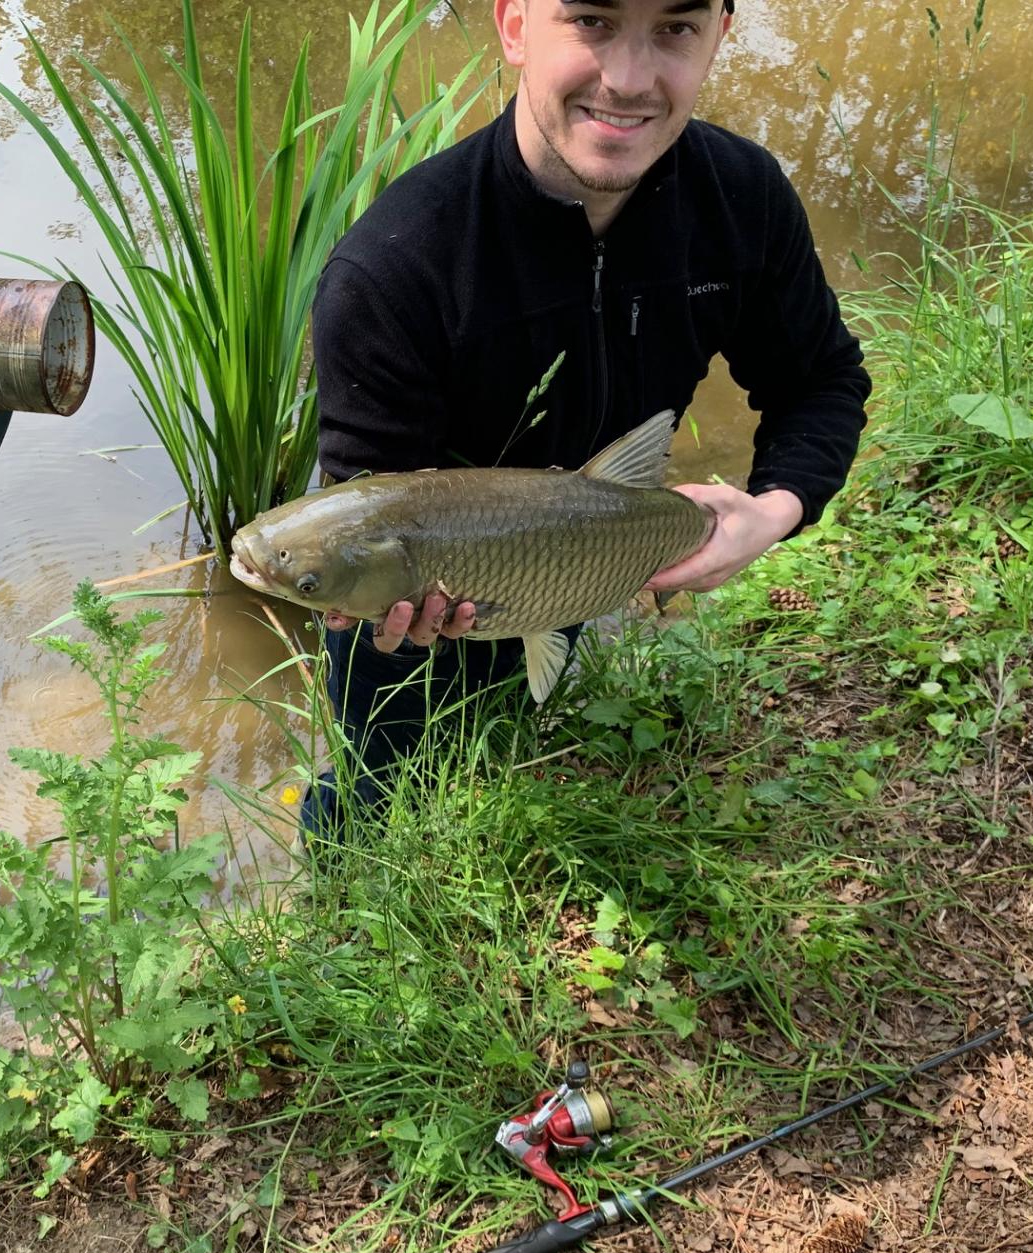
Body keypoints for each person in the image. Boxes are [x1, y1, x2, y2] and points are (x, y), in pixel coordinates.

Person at [299, 0, 871, 839]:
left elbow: (822, 379)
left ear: (721, 34)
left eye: (674, 28)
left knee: (522, 770)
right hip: (431, 599)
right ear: (515, 24)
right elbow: (366, 504)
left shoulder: (742, 199)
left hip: (599, 553)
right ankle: (344, 919)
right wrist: (400, 613)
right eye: (593, 21)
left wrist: (773, 511)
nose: (630, 80)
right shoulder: (392, 269)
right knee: (378, 802)